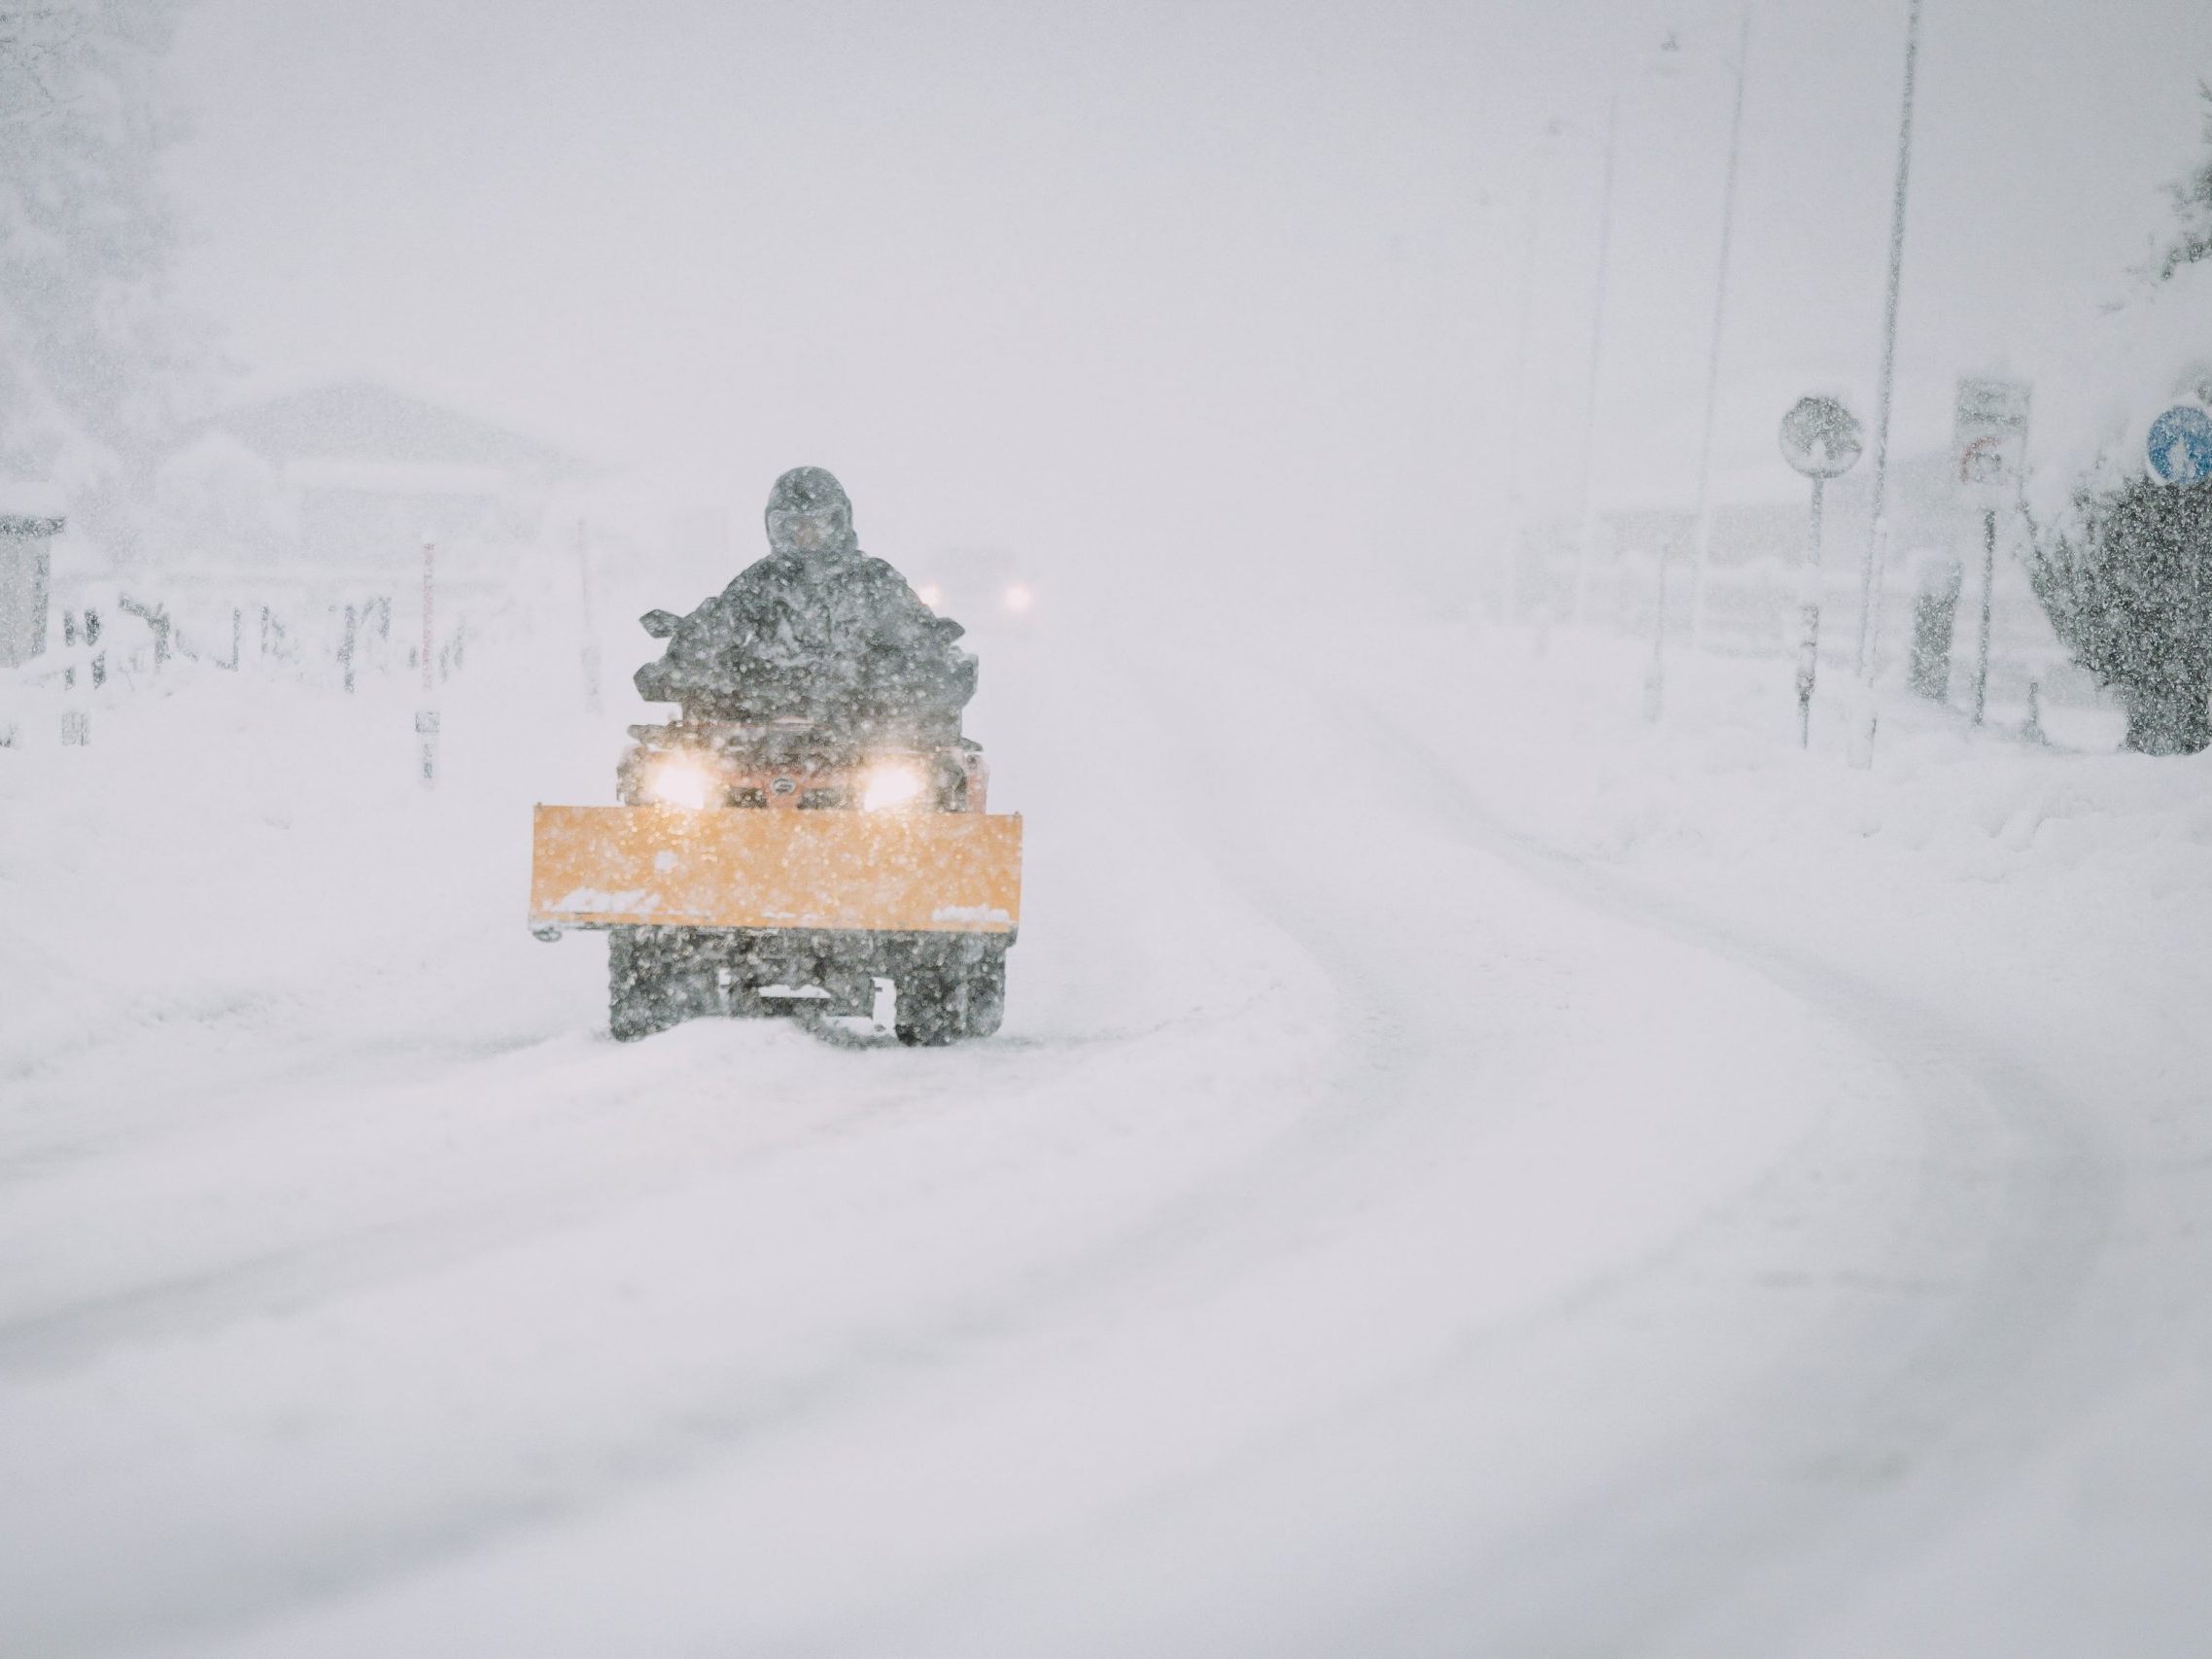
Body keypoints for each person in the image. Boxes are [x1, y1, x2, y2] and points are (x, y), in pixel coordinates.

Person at [636, 467, 977, 738]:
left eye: (818, 523)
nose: (805, 533)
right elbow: (719, 625)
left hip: (863, 732)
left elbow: (913, 638)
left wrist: (928, 663)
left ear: (840, 522)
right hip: (759, 729)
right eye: (791, 525)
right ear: (773, 527)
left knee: (935, 783)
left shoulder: (874, 581)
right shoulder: (760, 582)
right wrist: (687, 653)